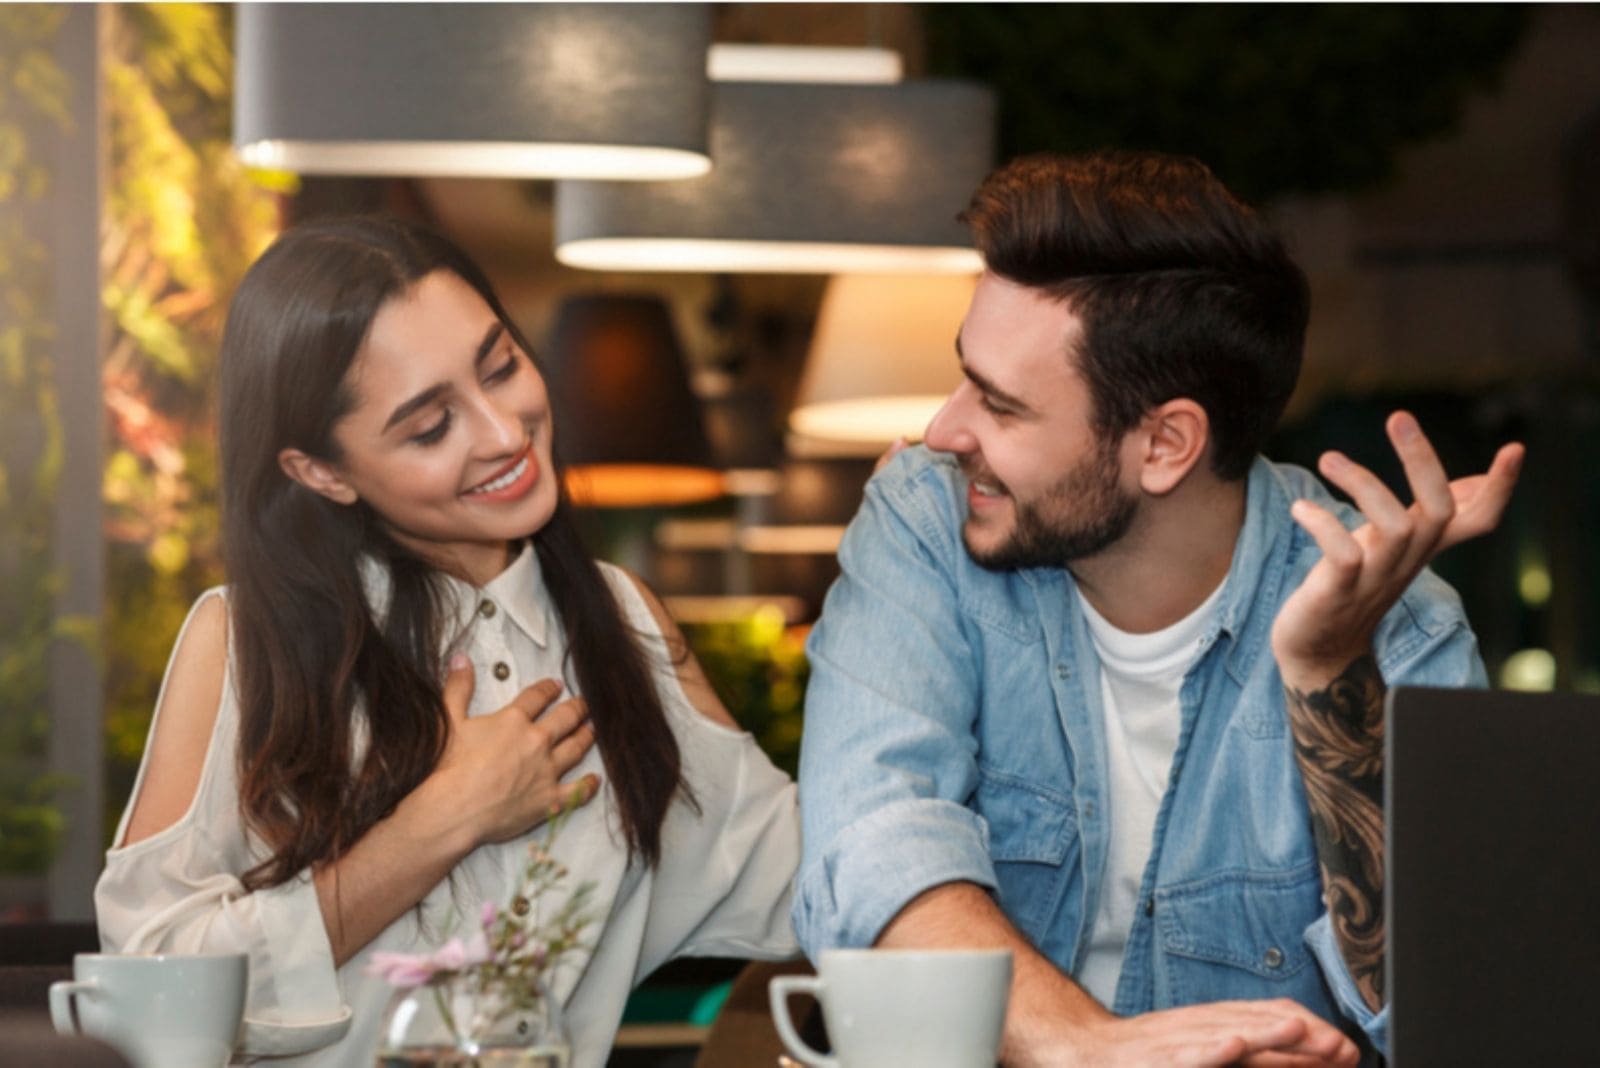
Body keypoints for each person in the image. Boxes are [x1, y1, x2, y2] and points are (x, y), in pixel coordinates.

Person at [794, 151, 1523, 1067]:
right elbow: (873, 847)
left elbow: (1454, 1015)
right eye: (964, 378)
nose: (944, 431)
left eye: (1001, 406)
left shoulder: (1398, 620)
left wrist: (1332, 684)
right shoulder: (926, 524)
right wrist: (1093, 1048)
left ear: (1166, 444)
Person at [94, 216, 799, 1067]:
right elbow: (144, 990)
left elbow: (805, 884)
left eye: (501, 367)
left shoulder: (619, 622)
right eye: (431, 427)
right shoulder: (244, 640)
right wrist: (439, 821)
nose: (504, 433)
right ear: (322, 472)